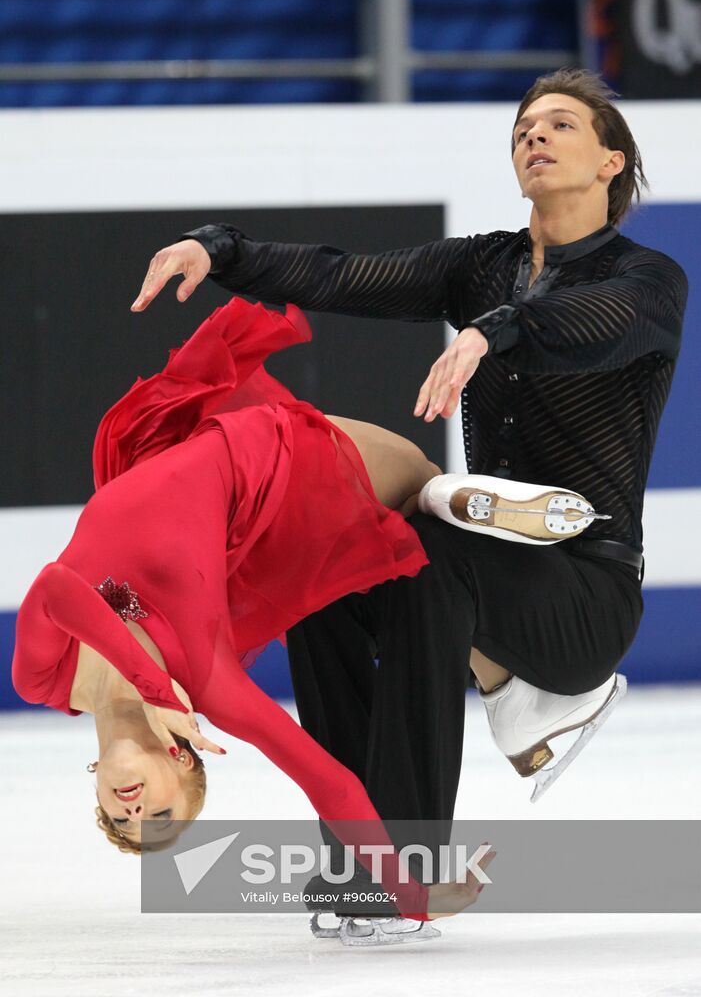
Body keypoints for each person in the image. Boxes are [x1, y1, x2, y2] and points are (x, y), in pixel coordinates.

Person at [128, 67, 688, 941]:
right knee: (322, 570)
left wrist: (492, 329)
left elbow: (590, 328)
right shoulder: (484, 265)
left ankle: (408, 871)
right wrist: (224, 252)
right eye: (522, 128)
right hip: (488, 559)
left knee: (426, 561)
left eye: (560, 126)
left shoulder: (649, 280)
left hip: (583, 593)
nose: (533, 136)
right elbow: (346, 273)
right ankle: (360, 861)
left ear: (611, 160)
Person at [12, 294, 505, 929]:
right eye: (159, 820)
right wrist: (413, 897)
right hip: (278, 478)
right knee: (424, 485)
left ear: (99, 791)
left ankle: (485, 642)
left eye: (119, 822)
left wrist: (150, 685)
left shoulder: (46, 680)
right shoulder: (211, 685)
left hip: (195, 449)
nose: (131, 815)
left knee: (417, 511)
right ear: (182, 762)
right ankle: (506, 660)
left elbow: (58, 588)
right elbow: (328, 783)